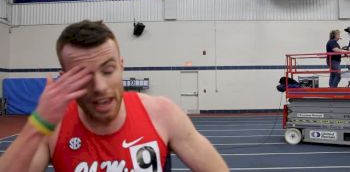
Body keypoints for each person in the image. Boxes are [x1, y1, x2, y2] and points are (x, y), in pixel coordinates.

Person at [0, 20, 229, 171]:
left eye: (108, 71)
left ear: (121, 67)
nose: (99, 86)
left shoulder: (162, 114)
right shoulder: (52, 129)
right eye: (83, 76)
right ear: (65, 78)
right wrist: (37, 124)